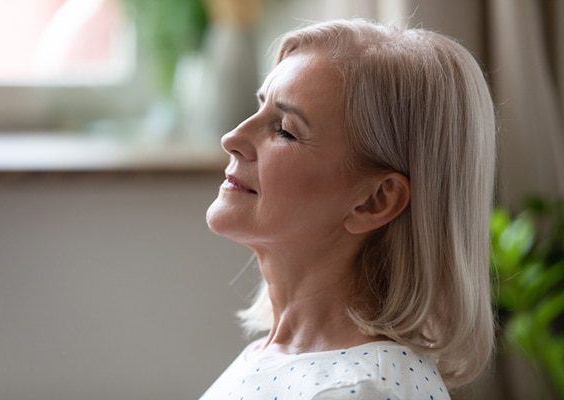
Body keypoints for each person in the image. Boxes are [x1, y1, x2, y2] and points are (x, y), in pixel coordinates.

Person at [202, 18, 496, 400]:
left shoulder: (359, 390)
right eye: (259, 107)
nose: (233, 138)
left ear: (375, 201)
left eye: (285, 130)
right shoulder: (275, 356)